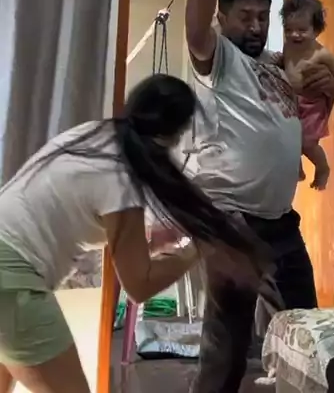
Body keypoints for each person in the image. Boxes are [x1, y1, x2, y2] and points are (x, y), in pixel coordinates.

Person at [0, 74, 264, 393]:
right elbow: (140, 284)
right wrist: (196, 248)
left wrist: (153, 240)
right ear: (174, 135)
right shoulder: (121, 175)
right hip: (11, 282)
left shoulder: (93, 136)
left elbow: (96, 220)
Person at [184, 0, 334, 393]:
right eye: (243, 17)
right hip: (232, 220)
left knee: (306, 331)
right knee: (228, 349)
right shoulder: (219, 59)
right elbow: (194, 21)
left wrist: (327, 86)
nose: (254, 26)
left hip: (279, 222)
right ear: (223, 19)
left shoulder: (274, 66)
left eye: (260, 17)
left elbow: (306, 106)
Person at [277, 0, 334, 190]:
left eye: (302, 30)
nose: (294, 35)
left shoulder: (321, 54)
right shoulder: (288, 46)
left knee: (308, 143)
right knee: (288, 135)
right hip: (292, 100)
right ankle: (298, 170)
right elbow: (286, 64)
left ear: (316, 30)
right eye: (288, 29)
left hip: (312, 105)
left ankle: (322, 167)